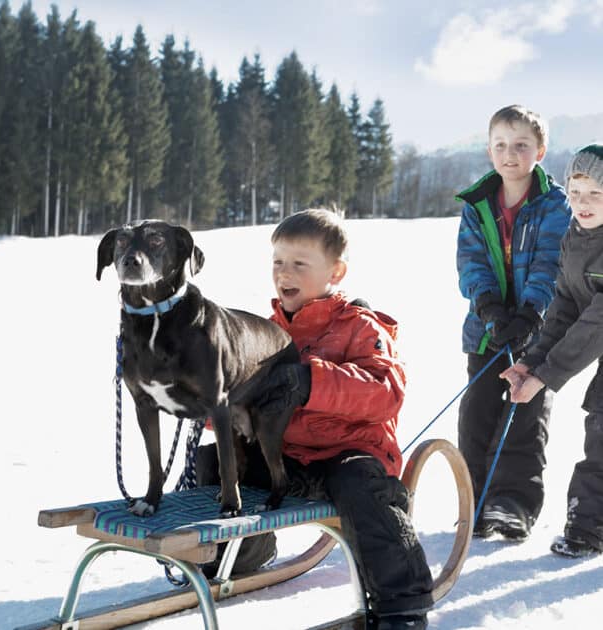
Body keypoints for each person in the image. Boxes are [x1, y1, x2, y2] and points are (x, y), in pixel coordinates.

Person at [197, 209, 434, 629]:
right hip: (285, 458)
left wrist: (312, 381)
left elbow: (385, 392)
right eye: (278, 262)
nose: (283, 273)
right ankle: (240, 555)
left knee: (360, 486)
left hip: (347, 454)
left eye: (299, 264)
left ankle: (403, 602)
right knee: (214, 462)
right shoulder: (261, 333)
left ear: (335, 271)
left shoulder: (361, 327)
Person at [456, 105, 571, 541]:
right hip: (485, 331)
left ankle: (512, 504)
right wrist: (488, 307)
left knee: (523, 417)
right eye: (501, 145)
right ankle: (476, 502)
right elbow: (470, 262)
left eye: (521, 145)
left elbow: (552, 263)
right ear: (489, 150)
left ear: (539, 150)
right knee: (477, 417)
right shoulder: (476, 205)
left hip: (536, 334)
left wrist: (530, 314)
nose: (510, 154)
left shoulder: (554, 205)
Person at [501, 144, 603, 558]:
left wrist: (546, 375)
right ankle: (589, 526)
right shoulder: (575, 239)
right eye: (576, 192)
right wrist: (530, 361)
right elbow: (563, 307)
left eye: (595, 193)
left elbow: (596, 320)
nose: (582, 203)